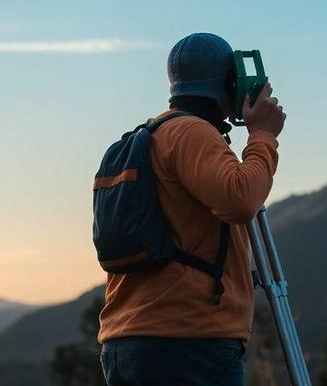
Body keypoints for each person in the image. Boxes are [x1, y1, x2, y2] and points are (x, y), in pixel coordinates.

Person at [98, 32, 286, 385]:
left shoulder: (152, 136)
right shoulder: (191, 133)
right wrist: (263, 135)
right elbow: (241, 199)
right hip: (187, 343)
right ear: (231, 81)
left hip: (128, 341)